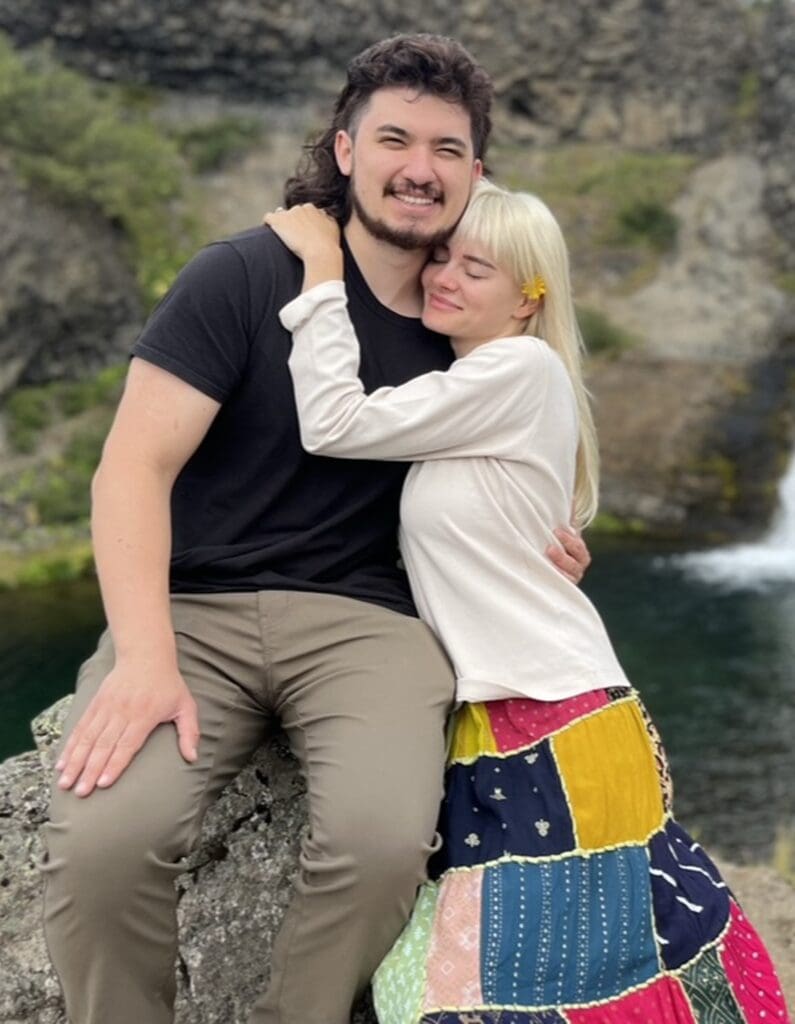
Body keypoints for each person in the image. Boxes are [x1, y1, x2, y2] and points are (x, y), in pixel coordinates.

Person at [40, 34, 592, 1024]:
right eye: (394, 139)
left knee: (384, 840)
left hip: (368, 622)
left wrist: (533, 533)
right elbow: (132, 467)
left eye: (447, 149)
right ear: (345, 150)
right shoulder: (243, 276)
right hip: (193, 609)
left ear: (476, 171)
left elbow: (511, 460)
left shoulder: (466, 319)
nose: (418, 169)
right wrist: (145, 658)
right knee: (104, 844)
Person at [264, 181, 791, 1024]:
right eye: (442, 256)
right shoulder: (474, 387)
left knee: (488, 993)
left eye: (477, 267)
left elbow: (332, 422)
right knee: (529, 989)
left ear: (528, 297)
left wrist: (322, 272)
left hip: (550, 717)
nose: (444, 276)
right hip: (514, 715)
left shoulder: (518, 367)